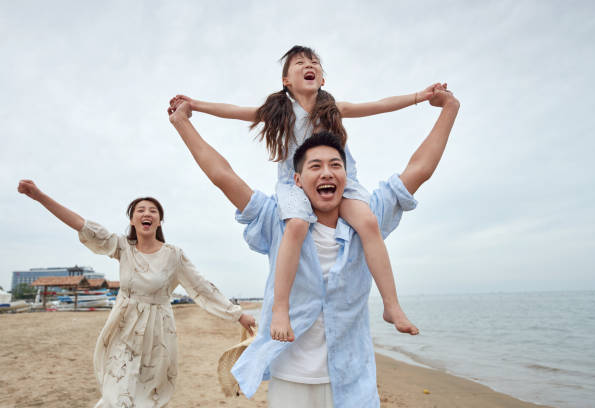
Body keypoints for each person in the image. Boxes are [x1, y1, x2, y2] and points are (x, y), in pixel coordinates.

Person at [168, 83, 459, 407]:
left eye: (336, 165)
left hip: (353, 383)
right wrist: (183, 122)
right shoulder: (277, 220)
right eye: (315, 166)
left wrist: (449, 109)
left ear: (346, 177)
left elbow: (421, 169)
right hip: (292, 380)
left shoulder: (367, 218)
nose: (327, 173)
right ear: (297, 179)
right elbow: (222, 174)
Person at [170, 45, 438, 341]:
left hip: (341, 181)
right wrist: (195, 105)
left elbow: (377, 105)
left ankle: (391, 305)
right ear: (286, 81)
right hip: (293, 183)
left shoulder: (332, 109)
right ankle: (280, 308)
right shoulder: (278, 111)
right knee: (296, 225)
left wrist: (419, 97)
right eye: (299, 63)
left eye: (314, 63)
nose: (309, 65)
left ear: (322, 79)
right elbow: (235, 111)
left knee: (369, 223)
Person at [16, 180, 256, 408]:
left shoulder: (174, 255)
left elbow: (201, 287)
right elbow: (83, 225)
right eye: (140, 210)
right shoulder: (122, 247)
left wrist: (237, 314)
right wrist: (40, 196)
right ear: (132, 220)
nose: (147, 214)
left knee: (148, 396)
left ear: (160, 221)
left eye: (153, 211)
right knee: (119, 391)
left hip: (158, 333)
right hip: (123, 327)